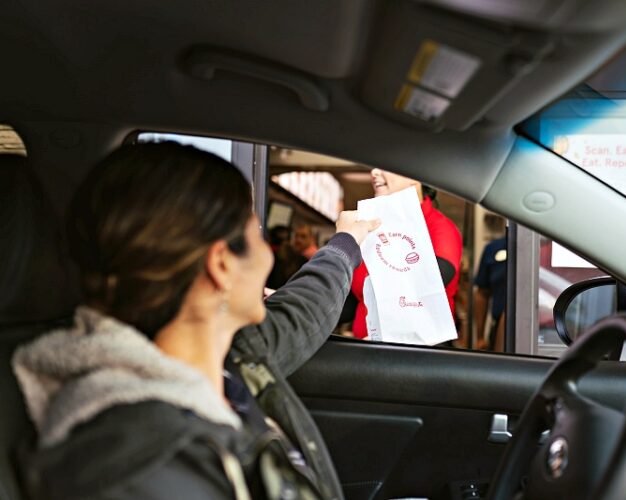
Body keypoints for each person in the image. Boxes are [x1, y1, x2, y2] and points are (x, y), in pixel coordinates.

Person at [12, 142, 380, 500]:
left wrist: (346, 243)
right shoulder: (141, 469)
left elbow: (303, 310)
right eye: (256, 236)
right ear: (221, 265)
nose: (269, 256)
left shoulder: (224, 359)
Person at [342, 168, 462, 339]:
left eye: (384, 165)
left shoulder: (439, 227)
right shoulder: (372, 228)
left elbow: (431, 280)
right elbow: (354, 300)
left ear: (416, 178)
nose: (374, 172)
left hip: (416, 354)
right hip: (367, 349)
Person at [473, 236, 508, 351]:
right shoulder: (493, 249)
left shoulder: (541, 247)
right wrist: (480, 337)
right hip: (498, 327)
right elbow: (482, 294)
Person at [266, 225, 306, 289]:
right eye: (296, 236)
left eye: (303, 237)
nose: (298, 240)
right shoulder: (303, 260)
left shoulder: (270, 256)